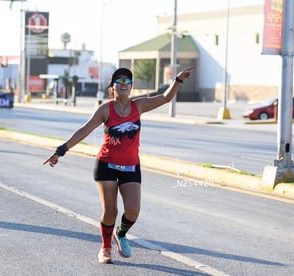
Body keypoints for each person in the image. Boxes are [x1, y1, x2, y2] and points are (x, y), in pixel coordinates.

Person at [43, 67, 194, 264]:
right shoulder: (105, 109)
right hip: (106, 165)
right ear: (112, 86)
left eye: (127, 81)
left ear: (131, 87)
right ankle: (105, 248)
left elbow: (165, 98)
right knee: (111, 211)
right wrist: (61, 150)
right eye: (119, 80)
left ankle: (120, 234)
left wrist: (178, 80)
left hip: (131, 166)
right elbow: (84, 130)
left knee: (133, 210)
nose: (123, 84)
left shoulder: (138, 106)